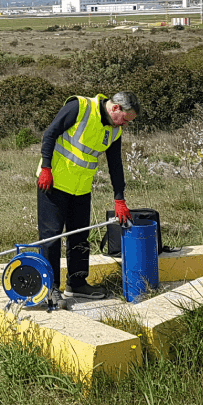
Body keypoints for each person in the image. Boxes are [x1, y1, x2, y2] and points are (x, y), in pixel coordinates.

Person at [36, 91, 140, 300]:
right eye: (126, 120)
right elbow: (50, 134)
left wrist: (119, 198)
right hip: (53, 183)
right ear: (116, 108)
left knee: (80, 237)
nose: (126, 125)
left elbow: (115, 166)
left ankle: (77, 284)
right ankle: (50, 288)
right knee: (51, 237)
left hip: (81, 188)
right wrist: (46, 167)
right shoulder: (80, 107)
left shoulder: (114, 131)